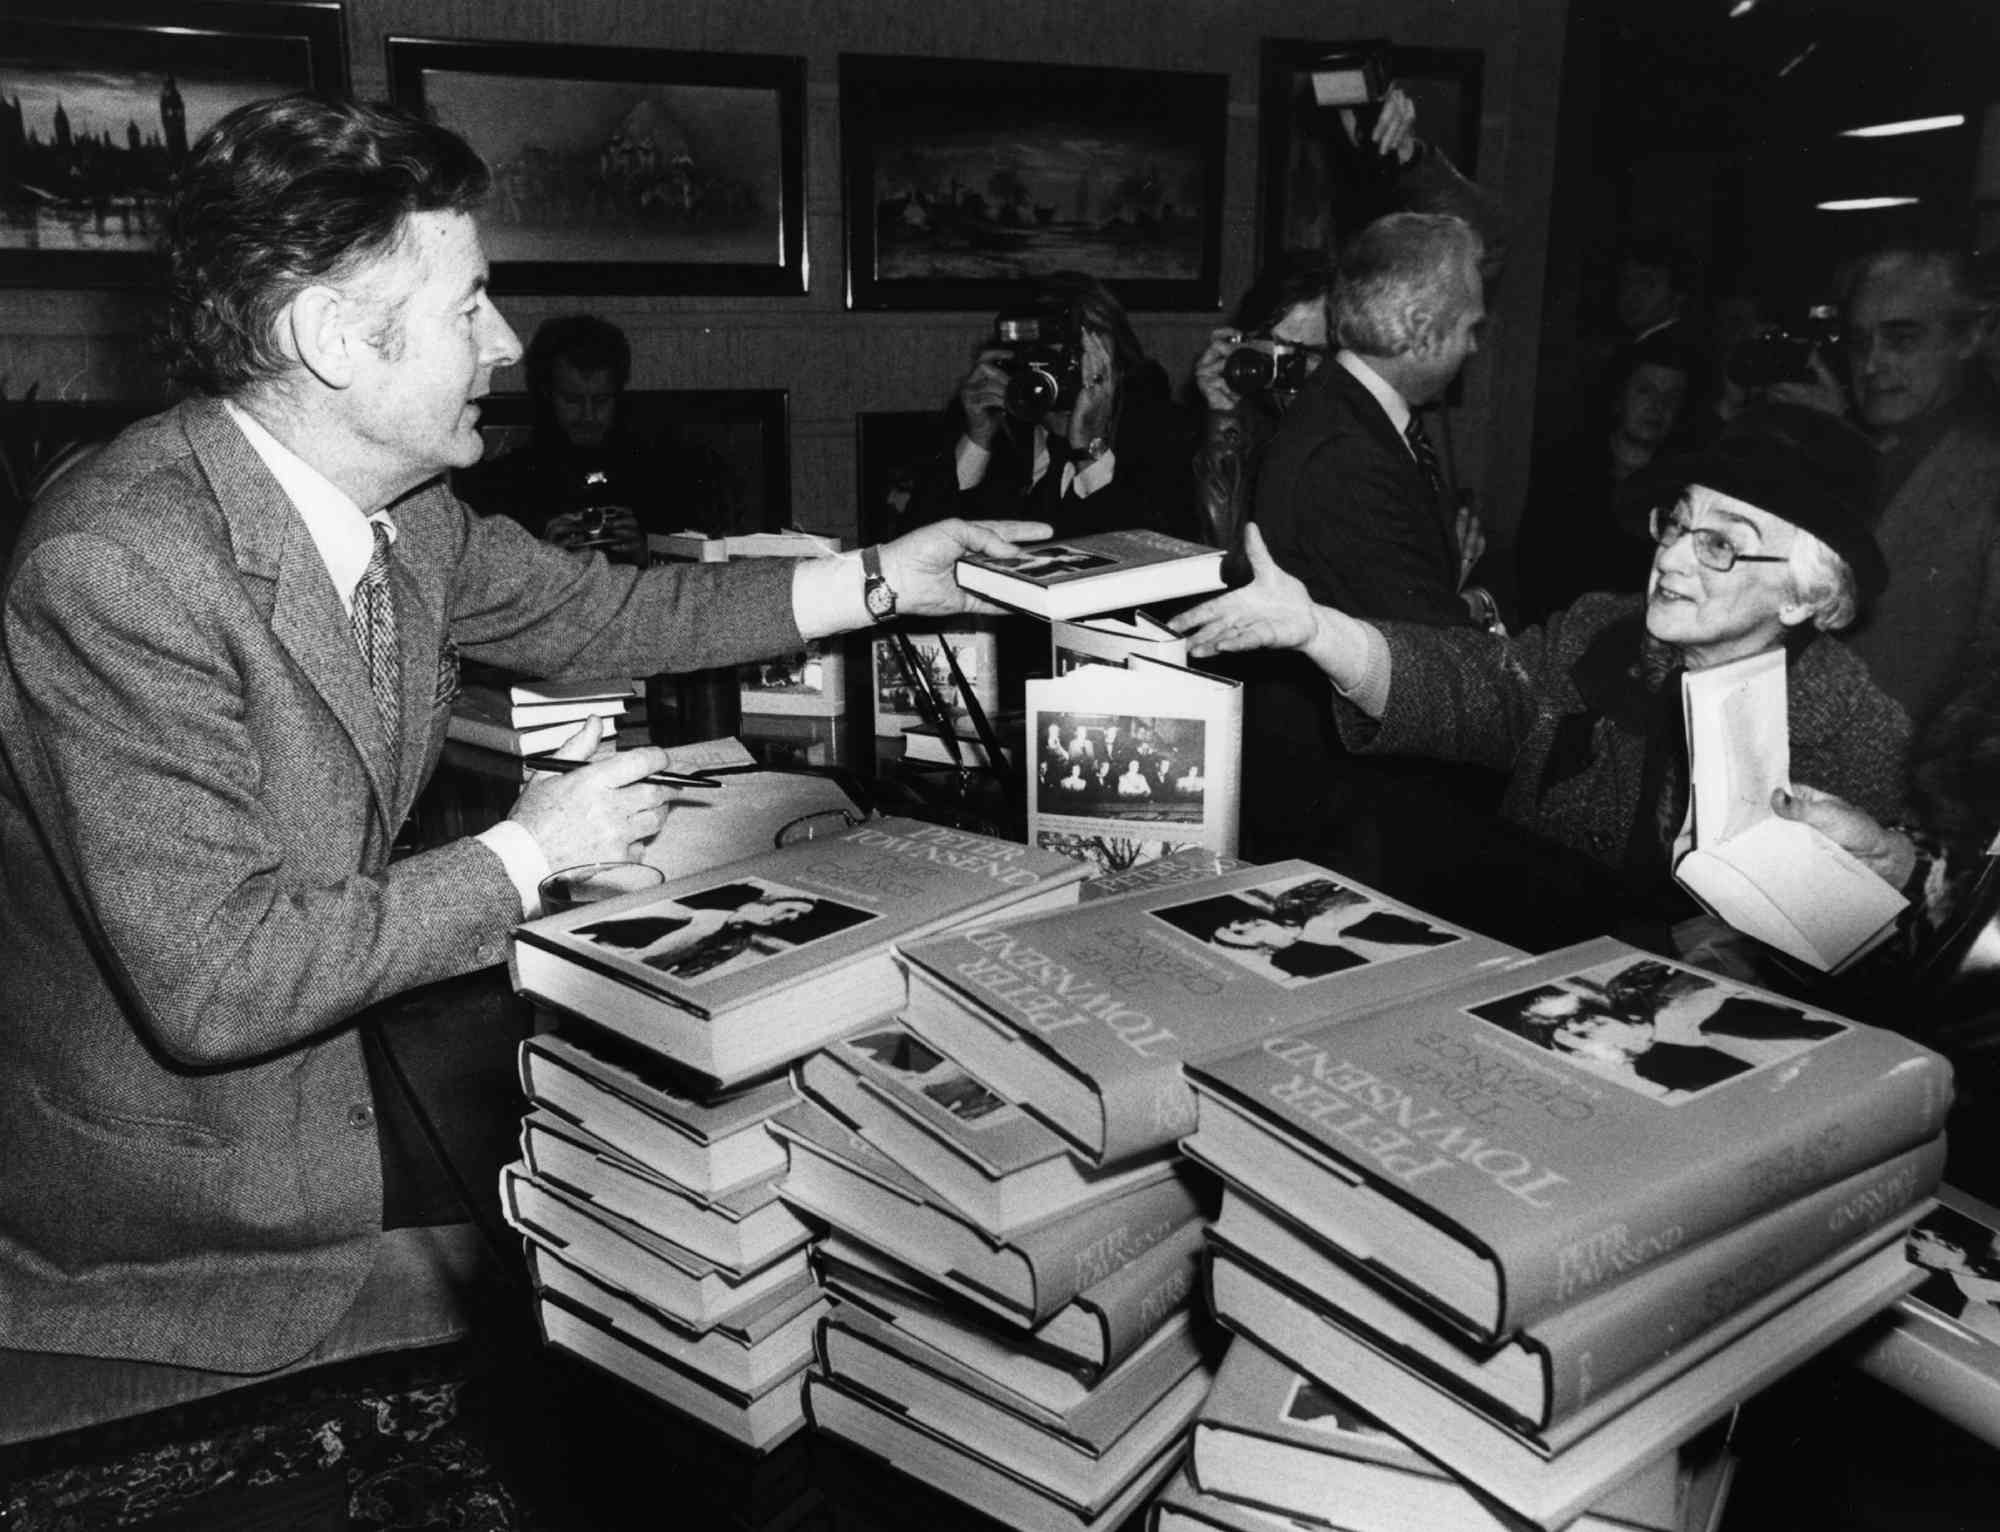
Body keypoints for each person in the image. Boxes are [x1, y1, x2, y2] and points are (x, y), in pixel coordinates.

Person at [0, 95, 1046, 1390]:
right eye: (467, 306)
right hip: (193, 1178)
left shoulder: (406, 509)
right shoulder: (119, 566)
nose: (502, 343)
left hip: (358, 1049)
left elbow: (598, 609)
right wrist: (527, 855)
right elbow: (219, 982)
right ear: (333, 338)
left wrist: (885, 580)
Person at [1173, 404, 1910, 944]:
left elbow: (1823, 961)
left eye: (1721, 546)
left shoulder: (1855, 734)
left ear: (1804, 594)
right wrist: (1318, 630)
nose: (1675, 556)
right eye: (1679, 523)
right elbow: (1476, 688)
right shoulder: (1600, 633)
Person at [1236, 209, 1501, 866]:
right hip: (1348, 812)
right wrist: (1478, 608)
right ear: (1419, 328)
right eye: (1470, 327)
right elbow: (1426, 652)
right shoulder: (1346, 451)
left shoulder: (1355, 415)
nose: (1473, 346)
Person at [1771, 241, 2000, 734]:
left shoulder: (1985, 474)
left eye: (1902, 339)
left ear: (1972, 337)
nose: (1872, 365)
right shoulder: (1871, 451)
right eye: (1859, 342)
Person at [899, 269, 1199, 546]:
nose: (1065, 375)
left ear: (1116, 359)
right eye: (1046, 357)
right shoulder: (1003, 425)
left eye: (1078, 354)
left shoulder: (1165, 431)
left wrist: (1090, 452)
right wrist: (978, 441)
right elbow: (912, 548)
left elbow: (1151, 564)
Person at [1513, 331, 1704, 625]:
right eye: (1646, 391)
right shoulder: (1565, 470)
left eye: (1672, 396)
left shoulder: (1684, 489)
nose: (1658, 406)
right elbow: (1532, 571)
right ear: (1620, 396)